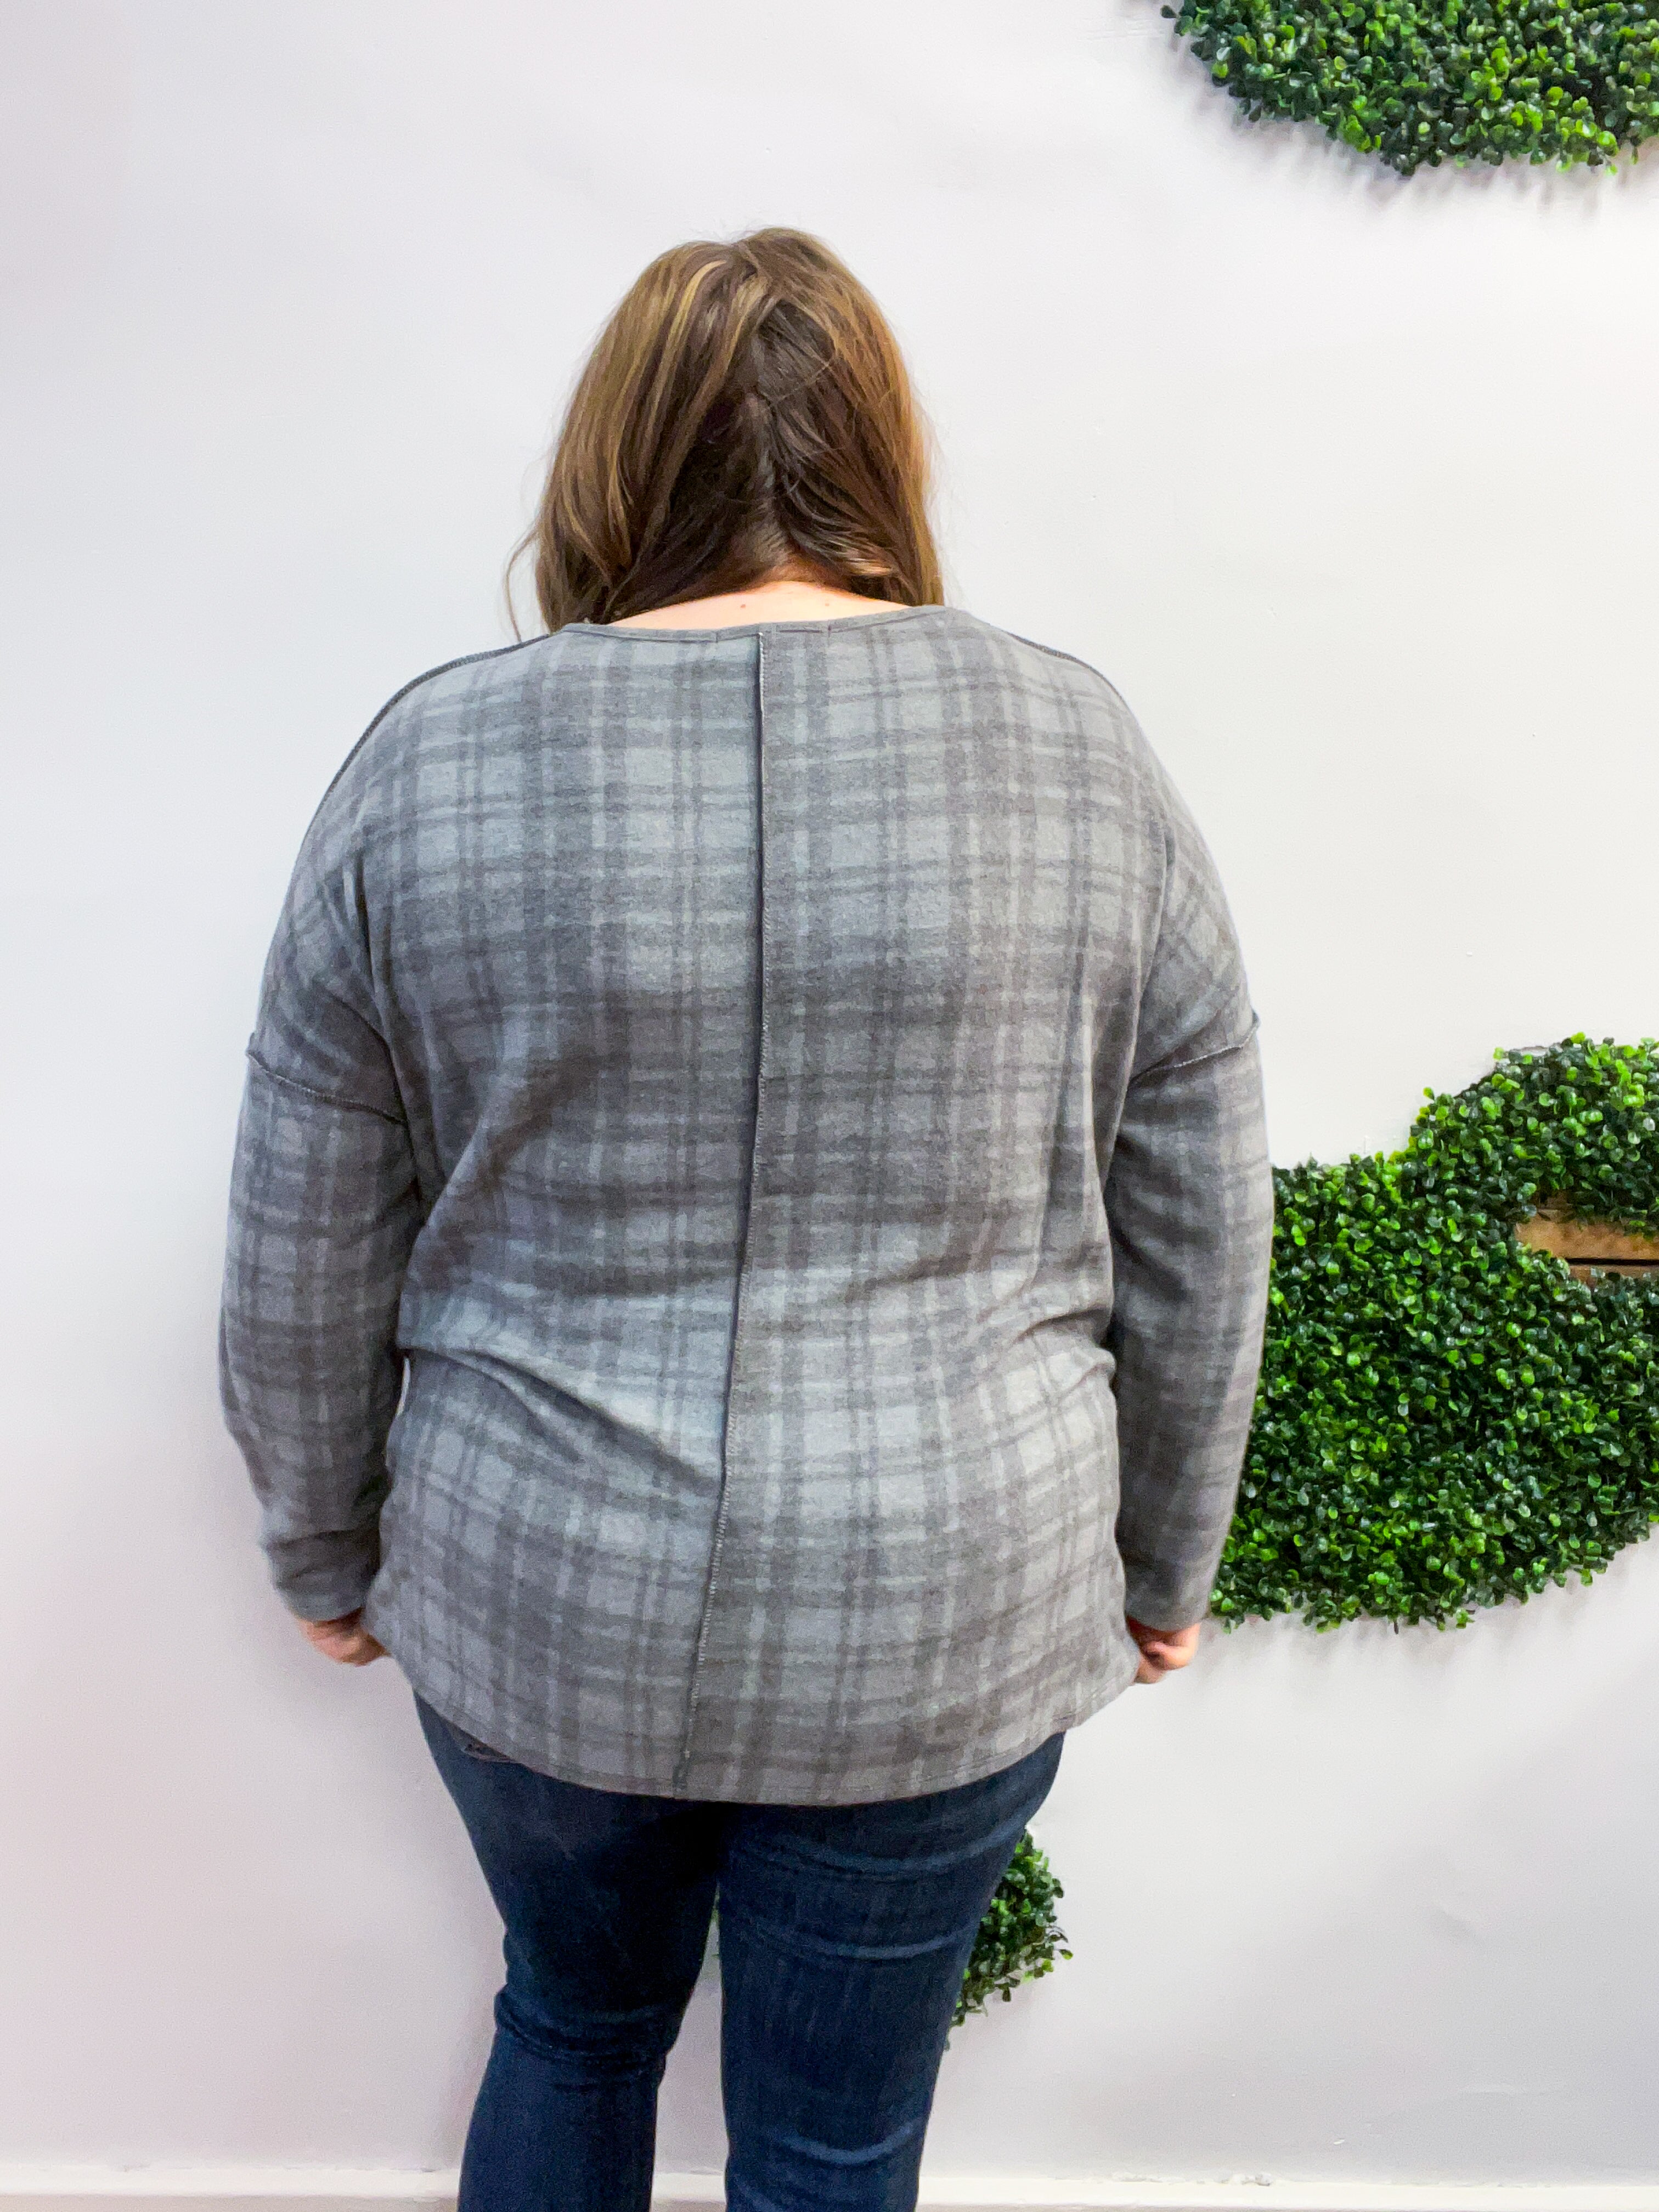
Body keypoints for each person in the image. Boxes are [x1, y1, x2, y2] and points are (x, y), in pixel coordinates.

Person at [218, 227, 1274, 2212]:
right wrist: (1166, 1556)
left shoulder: (430, 756)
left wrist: (320, 1541)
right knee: (834, 2136)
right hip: (946, 1587)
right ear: (882, 454)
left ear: (612, 460)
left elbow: (305, 1217)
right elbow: (1201, 1196)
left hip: (537, 1576)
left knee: (572, 2024)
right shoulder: (1081, 753)